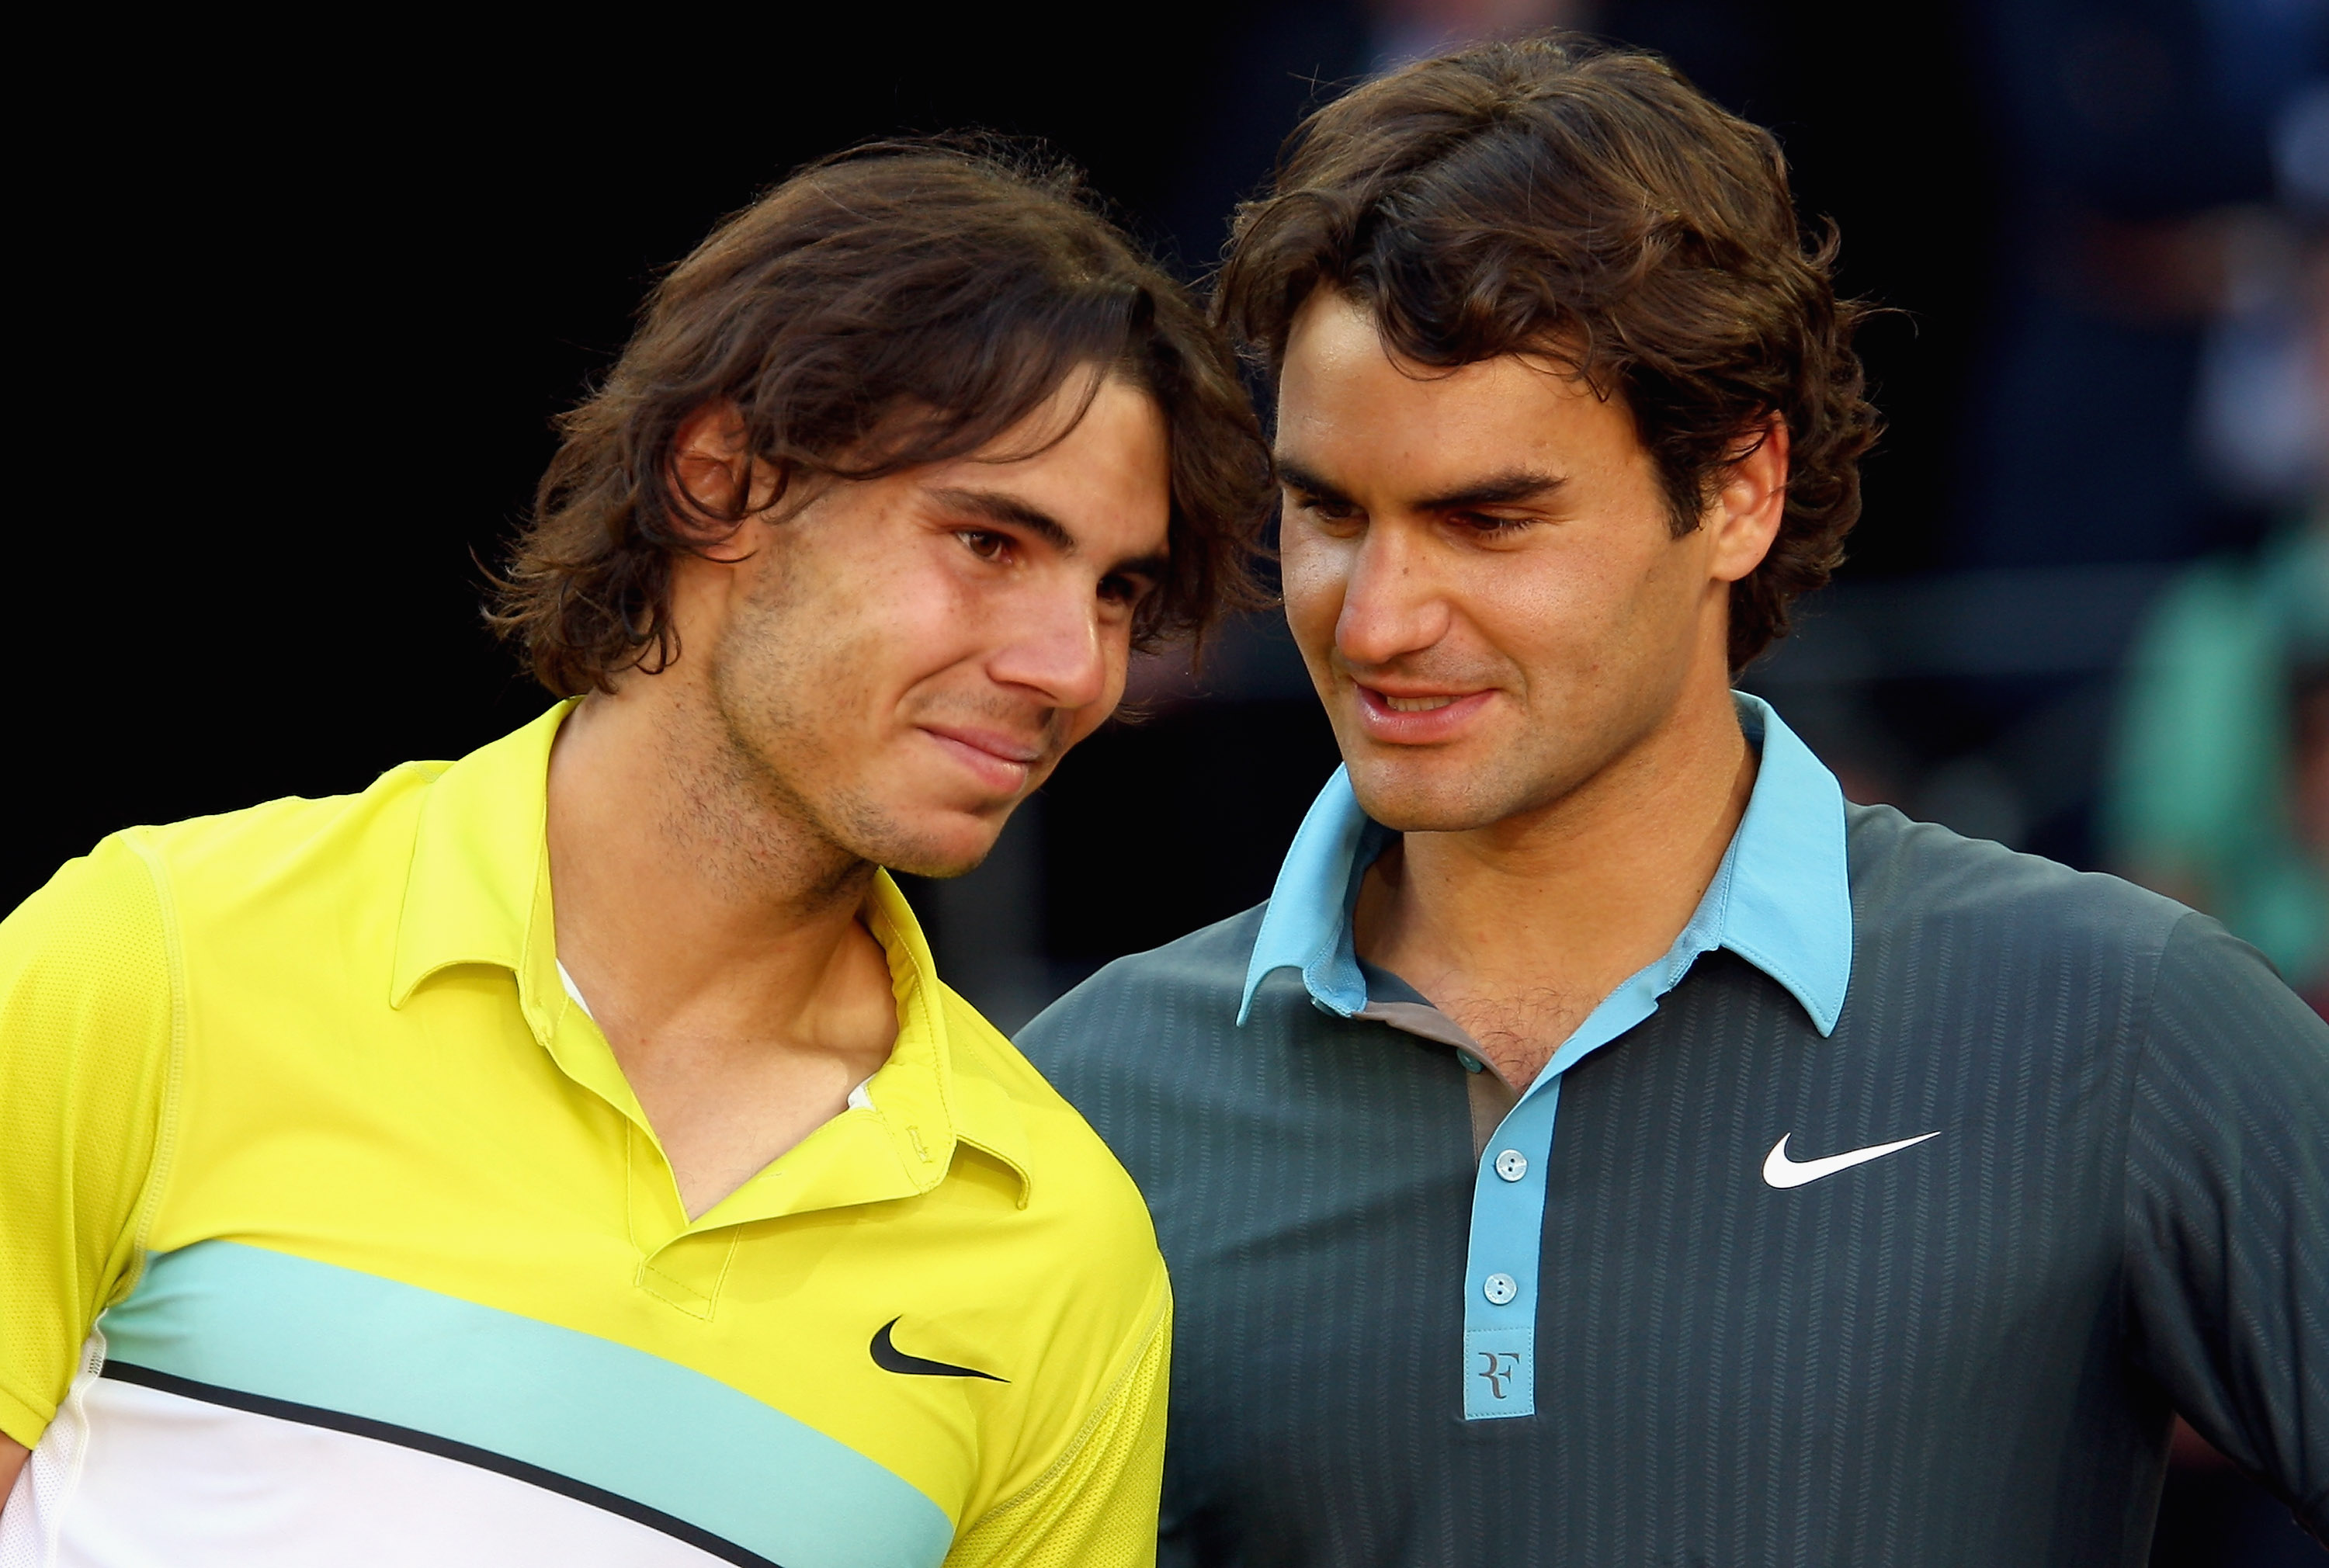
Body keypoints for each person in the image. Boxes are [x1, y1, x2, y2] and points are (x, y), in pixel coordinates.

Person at [1019, 37, 2328, 1565]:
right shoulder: (1085, 1102)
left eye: (1488, 518)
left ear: (1738, 491)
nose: (1375, 618)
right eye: (1327, 511)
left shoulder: (2122, 1020)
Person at [0, 141, 1271, 1566]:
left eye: (1119, 594)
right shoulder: (158, 957)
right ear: (720, 481)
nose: (1068, 666)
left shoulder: (1064, 1247)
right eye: (989, 541)